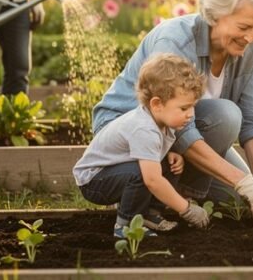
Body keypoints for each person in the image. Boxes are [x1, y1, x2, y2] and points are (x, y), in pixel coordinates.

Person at [92, 0, 253, 228]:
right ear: (217, 14)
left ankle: (174, 194)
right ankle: (148, 197)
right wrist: (241, 180)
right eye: (244, 26)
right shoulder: (176, 40)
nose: (251, 37)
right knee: (225, 115)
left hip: (178, 135)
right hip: (132, 134)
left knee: (239, 203)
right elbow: (182, 129)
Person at [73, 53, 211, 236]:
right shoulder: (144, 128)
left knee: (170, 164)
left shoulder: (162, 120)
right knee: (142, 174)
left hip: (115, 171)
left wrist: (169, 152)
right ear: (157, 104)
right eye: (184, 108)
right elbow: (152, 180)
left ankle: (150, 214)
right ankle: (126, 225)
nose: (191, 114)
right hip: (94, 181)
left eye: (193, 106)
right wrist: (186, 209)